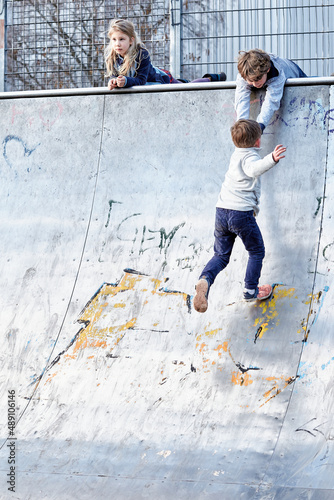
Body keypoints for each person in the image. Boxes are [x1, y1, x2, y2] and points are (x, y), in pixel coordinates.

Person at [193, 119, 286, 313]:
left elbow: (244, 133)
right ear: (258, 142)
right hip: (240, 214)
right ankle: (250, 290)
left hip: (221, 211)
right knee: (256, 251)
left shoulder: (236, 154)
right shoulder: (250, 157)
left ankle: (205, 280)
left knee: (220, 255)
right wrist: (272, 159)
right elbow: (254, 169)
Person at [105, 19, 226, 89]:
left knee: (187, 88)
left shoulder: (142, 54)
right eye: (114, 40)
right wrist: (113, 81)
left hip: (161, 79)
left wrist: (125, 81)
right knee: (183, 84)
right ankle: (182, 81)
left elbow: (141, 80)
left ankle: (211, 78)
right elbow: (114, 76)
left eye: (122, 39)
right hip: (149, 83)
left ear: (131, 40)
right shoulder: (112, 58)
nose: (117, 44)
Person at [235, 49, 307, 133]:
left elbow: (272, 101)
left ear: (268, 70)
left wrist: (260, 126)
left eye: (258, 79)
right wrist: (241, 125)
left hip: (294, 72)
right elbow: (241, 99)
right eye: (251, 81)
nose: (255, 84)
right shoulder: (244, 73)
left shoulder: (277, 73)